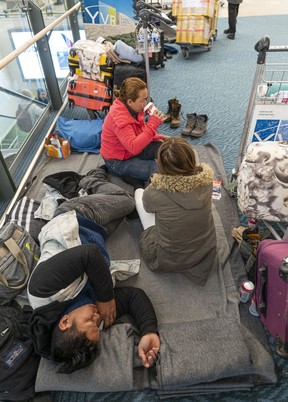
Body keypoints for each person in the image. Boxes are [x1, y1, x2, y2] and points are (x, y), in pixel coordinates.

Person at [28, 244, 160, 374]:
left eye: (90, 320)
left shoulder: (41, 289)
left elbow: (89, 253)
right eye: (97, 325)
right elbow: (132, 297)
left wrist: (106, 298)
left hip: (77, 227)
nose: (97, 316)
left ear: (65, 322)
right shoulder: (93, 324)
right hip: (99, 237)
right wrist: (148, 331)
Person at [135, 137, 217, 286]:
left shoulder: (154, 191)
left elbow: (148, 209)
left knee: (139, 194)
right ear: (192, 159)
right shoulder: (208, 180)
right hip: (204, 250)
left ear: (158, 164)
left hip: (170, 258)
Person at [100, 77, 167, 182]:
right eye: (143, 100)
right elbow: (134, 147)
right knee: (159, 170)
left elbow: (138, 131)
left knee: (166, 147)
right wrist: (153, 124)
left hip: (130, 151)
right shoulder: (119, 118)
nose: (146, 103)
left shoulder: (133, 108)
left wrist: (156, 136)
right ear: (130, 101)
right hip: (117, 161)